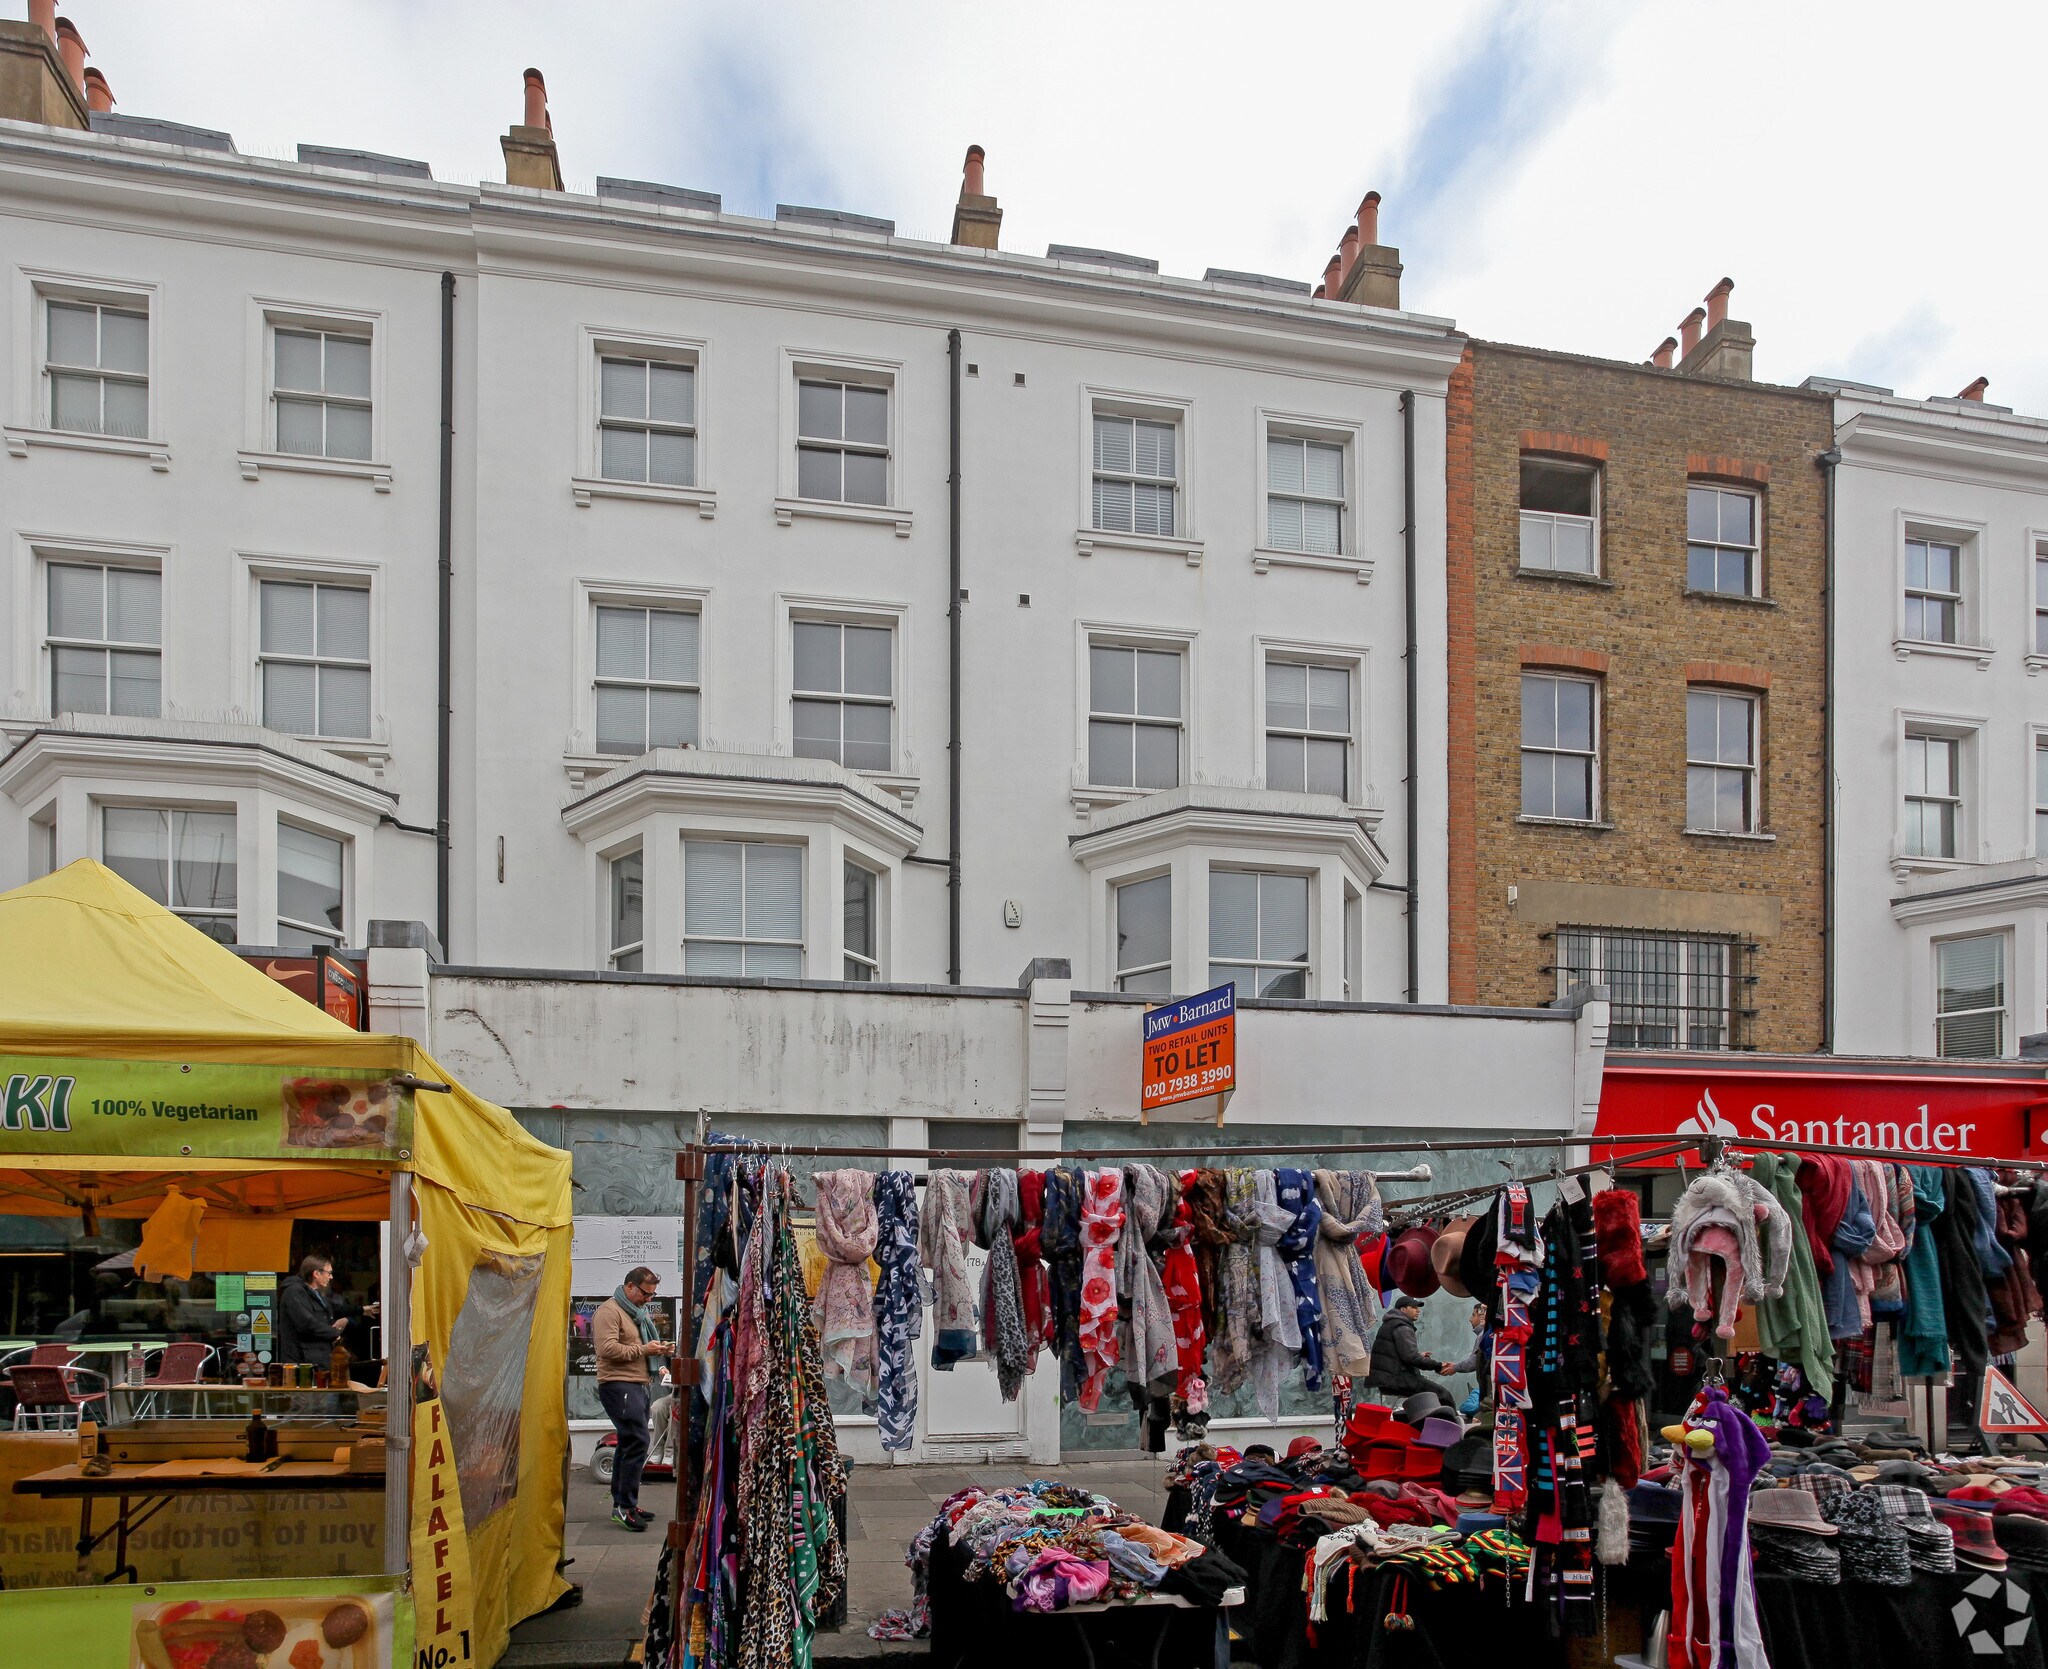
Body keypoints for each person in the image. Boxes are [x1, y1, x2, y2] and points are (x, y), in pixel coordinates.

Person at [594, 1265, 673, 1530]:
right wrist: (643, 1349)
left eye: (652, 1295)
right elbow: (606, 1349)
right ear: (630, 1287)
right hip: (619, 1385)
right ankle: (624, 1505)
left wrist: (658, 1350)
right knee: (638, 1439)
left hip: (636, 1384)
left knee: (631, 1442)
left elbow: (635, 1348)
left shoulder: (636, 1314)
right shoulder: (609, 1311)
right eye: (645, 1294)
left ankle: (624, 1502)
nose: (649, 1300)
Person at [277, 1254, 378, 1366]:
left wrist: (362, 1310)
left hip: (316, 1359)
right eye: (329, 1273)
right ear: (316, 1273)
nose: (331, 1277)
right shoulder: (294, 1292)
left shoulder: (313, 1292)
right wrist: (334, 1333)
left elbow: (334, 1307)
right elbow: (307, 1323)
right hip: (302, 1363)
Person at [1365, 1295, 1457, 1410]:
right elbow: (1411, 1358)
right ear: (1403, 1310)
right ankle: (1451, 1427)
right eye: (1413, 1307)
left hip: (1388, 1379)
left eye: (1418, 1307)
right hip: (1398, 1380)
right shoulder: (1402, 1326)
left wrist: (1420, 1356)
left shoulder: (1391, 1323)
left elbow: (1398, 1355)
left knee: (1426, 1402)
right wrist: (1438, 1365)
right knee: (1443, 1396)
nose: (1418, 1310)